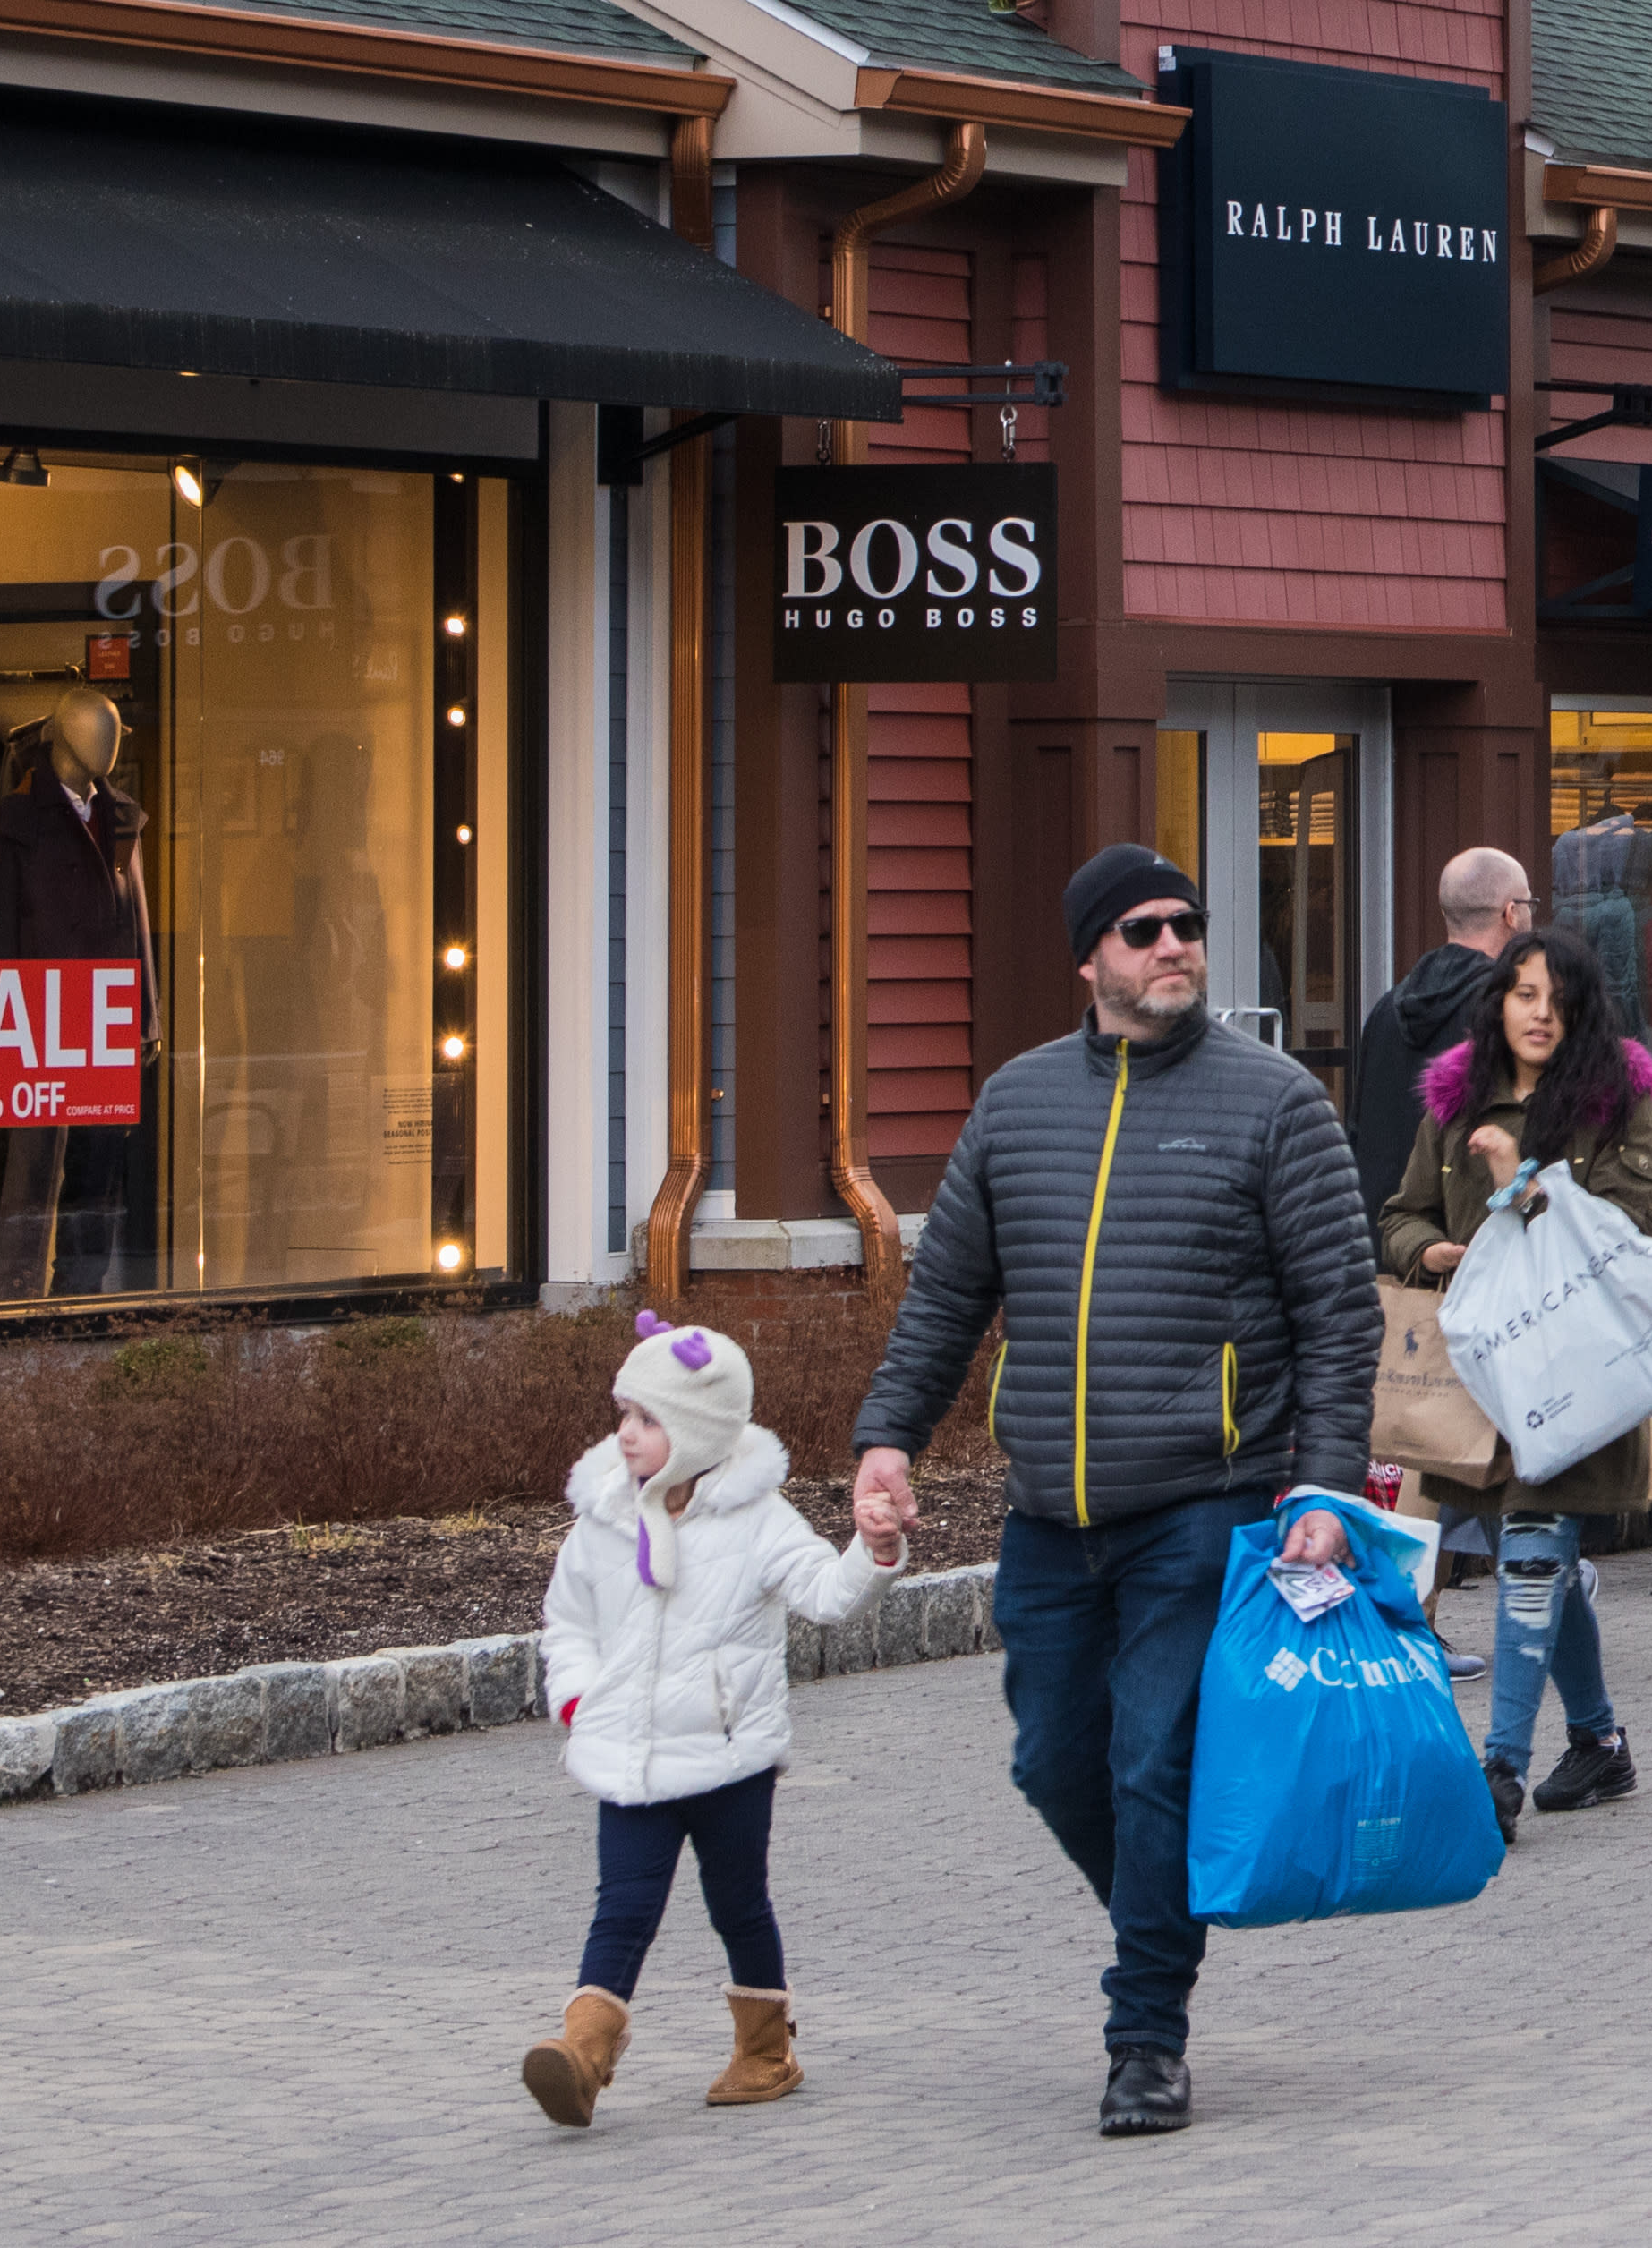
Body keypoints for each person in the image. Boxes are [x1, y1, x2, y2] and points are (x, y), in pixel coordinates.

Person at [852, 847, 1369, 2141]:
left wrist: (1324, 1487)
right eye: (1144, 930)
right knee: (1052, 1762)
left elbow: (1340, 1319)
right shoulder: (1017, 1103)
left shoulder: (1275, 1103)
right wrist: (886, 1440)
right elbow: (950, 1295)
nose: (1175, 946)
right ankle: (1171, 1908)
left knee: (1153, 1763)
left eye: (1189, 926)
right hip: (1048, 1512)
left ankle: (1146, 2032)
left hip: (1208, 1499)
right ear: (1090, 958)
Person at [523, 1311, 896, 2126]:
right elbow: (568, 1622)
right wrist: (579, 1700)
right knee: (622, 1906)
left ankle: (766, 2049)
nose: (626, 1434)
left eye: (648, 1419)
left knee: (738, 1903)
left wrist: (873, 1552)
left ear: (697, 1434)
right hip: (628, 1756)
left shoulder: (758, 1519)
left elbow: (825, 1598)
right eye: (623, 1414)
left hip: (729, 1760)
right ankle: (581, 2055)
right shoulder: (602, 1522)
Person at [1378, 929, 1652, 1835]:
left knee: (1533, 1551)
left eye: (1558, 997)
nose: (1540, 1012)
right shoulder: (1457, 1103)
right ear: (1499, 1001)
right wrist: (1429, 1247)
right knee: (1539, 1559)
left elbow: (1627, 1222)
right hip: (1483, 1375)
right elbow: (1399, 1213)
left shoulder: (1616, 1100)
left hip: (1579, 1373)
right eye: (1524, 993)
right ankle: (1599, 1741)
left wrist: (1526, 1188)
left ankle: (1498, 1769)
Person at [1345, 847, 1527, 1213]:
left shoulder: (1386, 1009)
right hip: (1471, 1242)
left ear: (1447, 914)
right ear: (1511, 913)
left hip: (1387, 1235)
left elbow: (1360, 1131)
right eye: (1529, 905)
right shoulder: (1509, 1010)